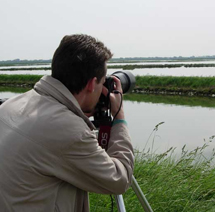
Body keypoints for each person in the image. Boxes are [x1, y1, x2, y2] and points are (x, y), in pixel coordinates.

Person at [0, 34, 134, 212]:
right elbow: (120, 179)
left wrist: (77, 111)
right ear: (91, 84)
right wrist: (119, 117)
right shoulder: (69, 131)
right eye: (103, 82)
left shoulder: (13, 104)